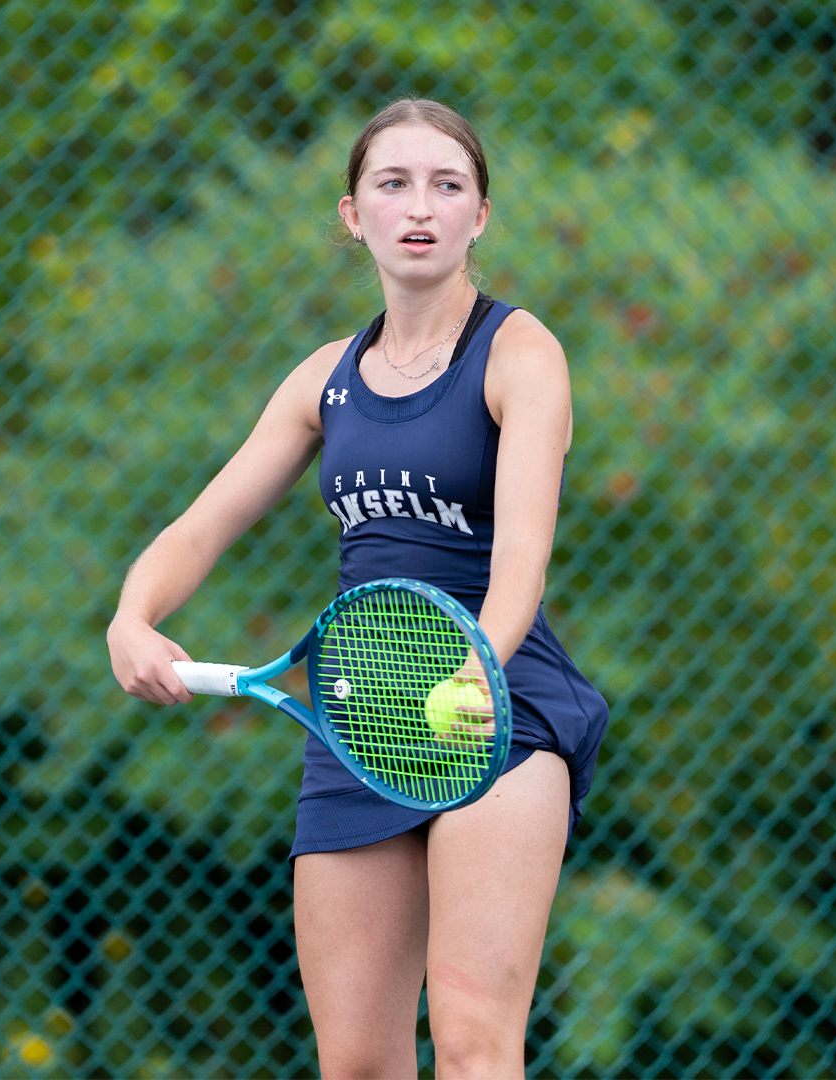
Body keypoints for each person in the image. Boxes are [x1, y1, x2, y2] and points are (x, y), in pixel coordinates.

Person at [107, 97, 609, 1079]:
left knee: (472, 1049)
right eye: (394, 183)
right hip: (360, 725)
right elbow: (200, 527)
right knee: (359, 1067)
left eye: (447, 185)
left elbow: (522, 562)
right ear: (353, 215)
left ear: (480, 216)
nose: (420, 206)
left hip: (494, 713)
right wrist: (133, 616)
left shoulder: (520, 354)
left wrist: (477, 668)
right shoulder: (320, 382)